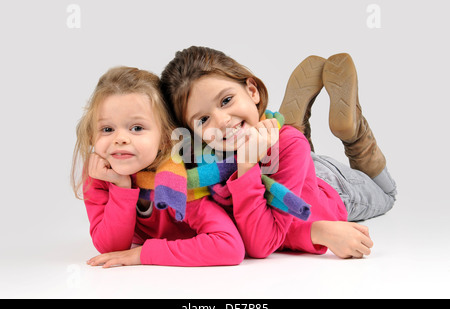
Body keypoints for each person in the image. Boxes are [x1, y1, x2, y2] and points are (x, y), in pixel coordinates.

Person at [159, 46, 397, 259]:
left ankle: (355, 134)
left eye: (226, 100)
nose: (221, 121)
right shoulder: (198, 162)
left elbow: (263, 243)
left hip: (332, 187)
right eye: (203, 119)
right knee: (292, 146)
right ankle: (287, 124)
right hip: (290, 163)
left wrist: (248, 164)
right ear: (191, 131)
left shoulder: (288, 146)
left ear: (253, 91)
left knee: (387, 194)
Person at [70, 66, 245, 267]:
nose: (120, 139)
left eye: (137, 128)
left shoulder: (175, 181)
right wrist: (120, 187)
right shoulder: (100, 173)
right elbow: (111, 248)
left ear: (165, 139)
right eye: (107, 129)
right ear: (92, 135)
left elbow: (230, 247)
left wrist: (143, 254)